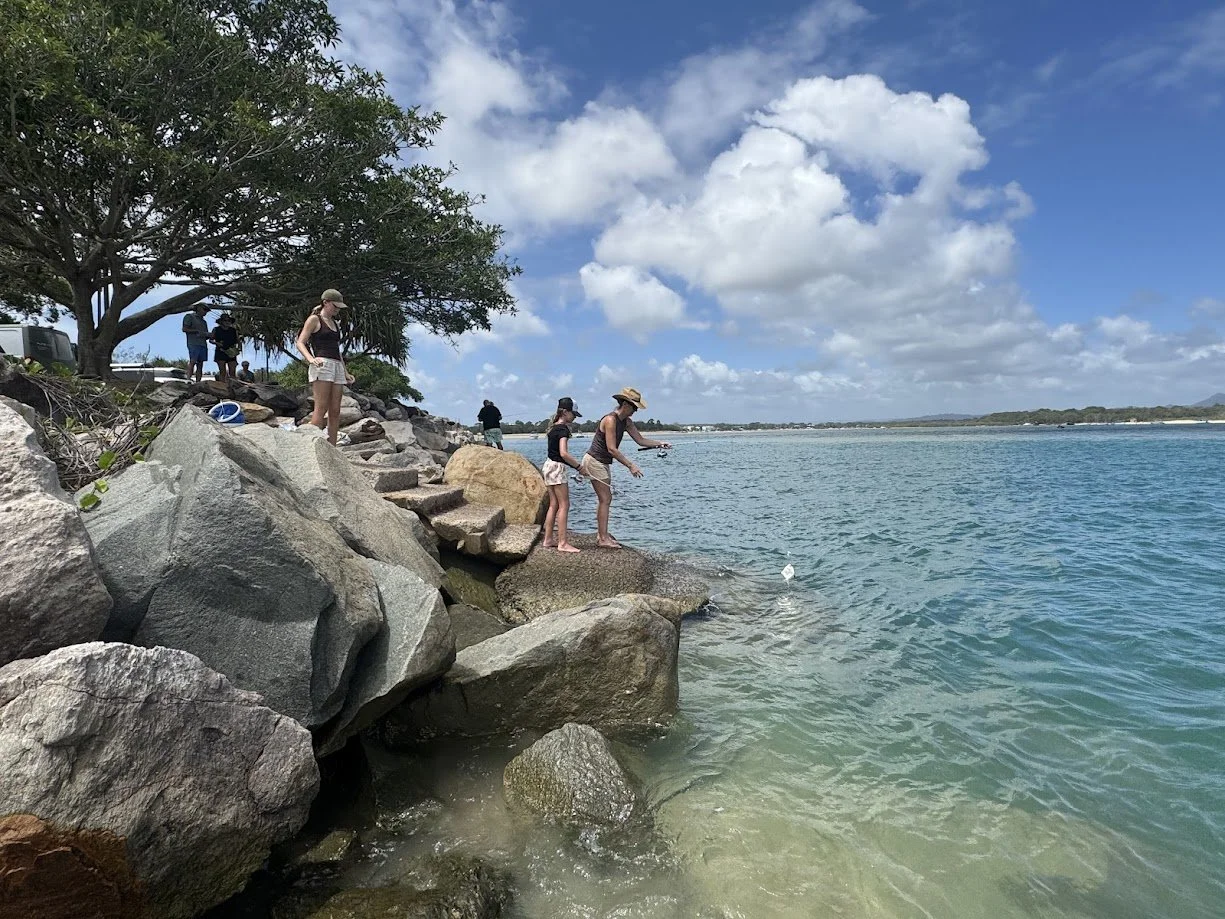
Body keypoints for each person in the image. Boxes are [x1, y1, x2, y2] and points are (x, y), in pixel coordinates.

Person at [580, 387, 671, 549]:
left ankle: (603, 534)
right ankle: (602, 538)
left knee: (605, 499)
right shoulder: (610, 420)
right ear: (625, 404)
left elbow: (640, 440)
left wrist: (659, 443)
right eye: (634, 407)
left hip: (602, 462)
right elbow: (612, 449)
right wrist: (631, 466)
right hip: (594, 461)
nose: (636, 410)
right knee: (605, 499)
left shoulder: (626, 422)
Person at [295, 288, 355, 445]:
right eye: (335, 306)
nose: (336, 310)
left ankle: (332, 447)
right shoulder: (314, 319)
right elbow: (300, 342)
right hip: (322, 364)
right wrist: (310, 358)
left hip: (336, 365)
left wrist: (345, 372)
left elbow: (337, 350)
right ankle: (310, 443)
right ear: (325, 302)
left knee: (335, 410)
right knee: (320, 408)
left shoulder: (335, 323)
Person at [541, 397, 584, 553]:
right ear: (565, 412)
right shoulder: (563, 429)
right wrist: (579, 467)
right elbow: (564, 453)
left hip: (548, 465)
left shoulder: (552, 427)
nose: (574, 418)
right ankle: (563, 543)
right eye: (573, 414)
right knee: (564, 505)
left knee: (554, 504)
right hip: (557, 468)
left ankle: (547, 540)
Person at [182, 305, 209, 382]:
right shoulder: (189, 316)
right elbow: (184, 329)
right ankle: (188, 379)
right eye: (205, 309)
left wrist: (208, 335)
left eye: (207, 310)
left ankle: (198, 382)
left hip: (203, 344)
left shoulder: (204, 322)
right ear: (199, 308)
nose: (206, 312)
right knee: (193, 361)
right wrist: (196, 331)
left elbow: (205, 334)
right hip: (193, 343)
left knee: (200, 364)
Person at [210, 313, 240, 382]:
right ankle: (222, 387)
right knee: (222, 372)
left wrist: (239, 348)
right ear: (221, 322)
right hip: (220, 351)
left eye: (229, 321)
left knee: (232, 372)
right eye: (225, 320)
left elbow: (238, 340)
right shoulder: (216, 329)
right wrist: (216, 343)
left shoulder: (233, 330)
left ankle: (233, 387)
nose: (227, 322)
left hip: (231, 351)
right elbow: (210, 340)